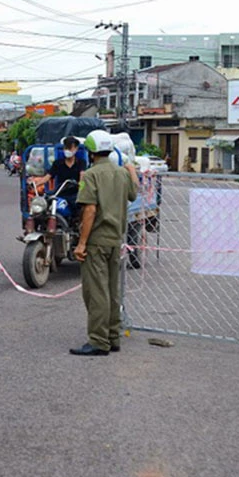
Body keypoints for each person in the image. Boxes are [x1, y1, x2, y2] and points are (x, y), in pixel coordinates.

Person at [70, 130, 139, 356]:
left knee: (96, 292)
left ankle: (99, 341)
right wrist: (131, 169)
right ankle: (112, 336)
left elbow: (90, 210)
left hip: (97, 240)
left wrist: (82, 243)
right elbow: (134, 194)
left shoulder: (91, 175)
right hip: (115, 239)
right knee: (111, 290)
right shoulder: (121, 173)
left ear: (91, 152)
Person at [31, 137, 87, 214]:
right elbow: (48, 177)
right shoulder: (58, 163)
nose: (68, 150)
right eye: (66, 148)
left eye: (70, 148)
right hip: (60, 192)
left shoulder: (81, 162)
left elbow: (82, 176)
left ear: (76, 149)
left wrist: (81, 188)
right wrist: (36, 184)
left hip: (75, 193)